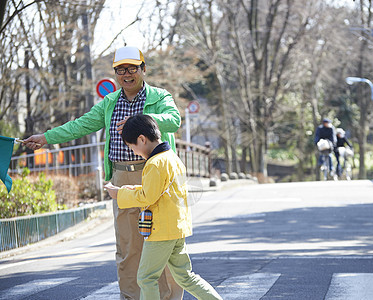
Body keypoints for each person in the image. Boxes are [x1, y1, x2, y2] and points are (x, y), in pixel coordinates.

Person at [23, 46, 183, 300]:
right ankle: (131, 297)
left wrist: (140, 117)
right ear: (116, 74)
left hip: (154, 175)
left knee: (159, 243)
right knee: (128, 248)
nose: (126, 74)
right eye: (120, 70)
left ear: (143, 69)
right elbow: (81, 125)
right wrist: (46, 137)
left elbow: (174, 120)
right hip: (121, 177)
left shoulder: (160, 97)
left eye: (132, 68)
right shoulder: (109, 102)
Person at [104, 114, 223, 300]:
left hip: (160, 230)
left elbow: (148, 197)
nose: (134, 152)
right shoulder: (172, 158)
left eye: (132, 146)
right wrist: (130, 189)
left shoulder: (154, 163)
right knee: (185, 276)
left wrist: (119, 194)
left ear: (142, 139)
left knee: (146, 278)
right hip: (177, 227)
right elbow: (159, 191)